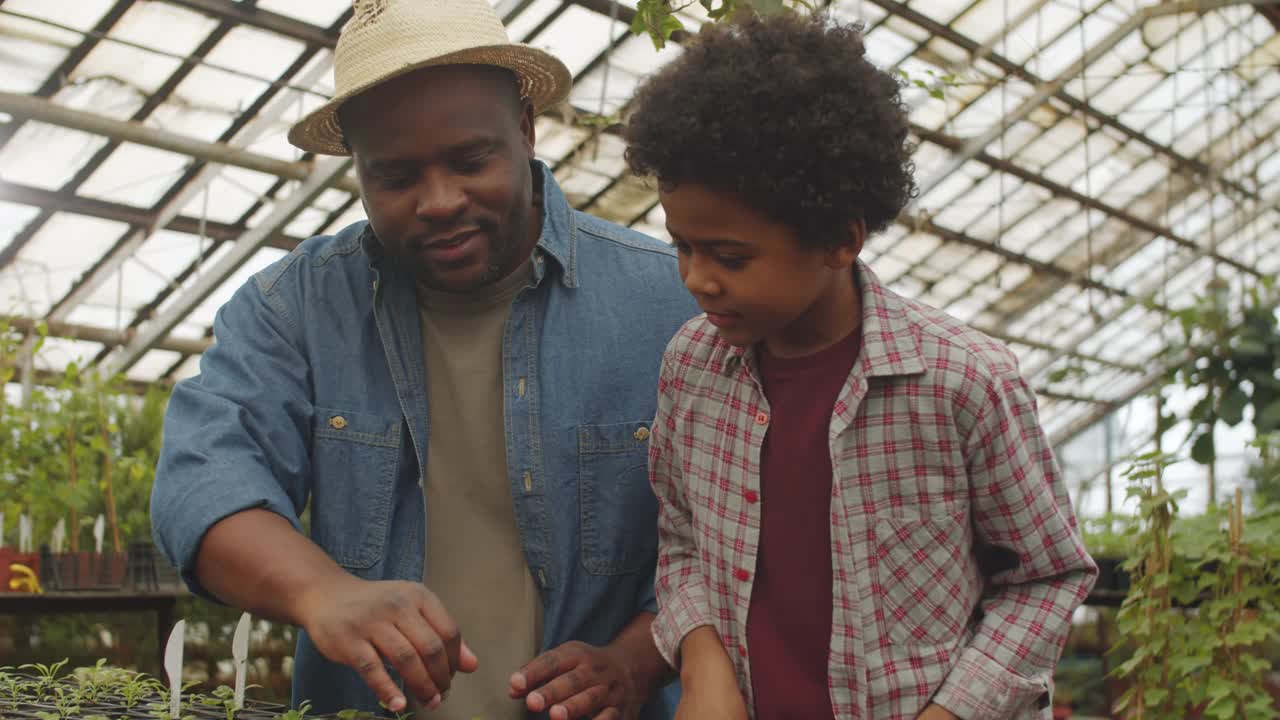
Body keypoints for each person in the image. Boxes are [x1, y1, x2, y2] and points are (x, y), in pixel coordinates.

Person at [150, 0, 696, 717]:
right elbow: (201, 484)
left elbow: (736, 541)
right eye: (395, 177)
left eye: (471, 161)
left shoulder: (670, 304)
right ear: (357, 170)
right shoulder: (298, 308)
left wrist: (633, 661)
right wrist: (324, 591)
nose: (438, 202)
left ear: (527, 131)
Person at [622, 12, 1098, 720]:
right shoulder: (693, 366)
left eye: (729, 257)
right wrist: (703, 659)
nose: (696, 279)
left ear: (841, 238)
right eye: (682, 246)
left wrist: (953, 712)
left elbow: (1046, 577)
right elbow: (684, 535)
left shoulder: (961, 382)